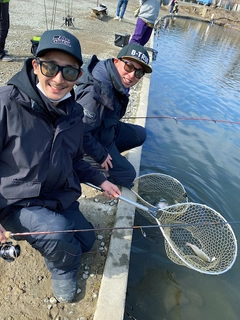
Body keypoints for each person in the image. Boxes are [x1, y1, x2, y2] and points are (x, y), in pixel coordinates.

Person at [0, 29, 121, 303]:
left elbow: (76, 159)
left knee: (86, 242)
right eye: (50, 67)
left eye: (68, 72)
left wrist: (101, 180)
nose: (57, 79)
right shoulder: (6, 102)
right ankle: (63, 268)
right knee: (59, 236)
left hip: (58, 196)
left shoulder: (74, 112)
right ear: (36, 65)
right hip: (17, 201)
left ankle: (59, 235)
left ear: (78, 76)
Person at [75, 43, 152, 189]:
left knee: (140, 134)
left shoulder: (114, 77)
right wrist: (101, 154)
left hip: (104, 130)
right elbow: (79, 131)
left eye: (139, 73)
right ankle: (84, 168)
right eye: (129, 67)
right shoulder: (96, 91)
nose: (132, 76)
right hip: (86, 145)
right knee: (128, 176)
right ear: (116, 61)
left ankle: (112, 157)